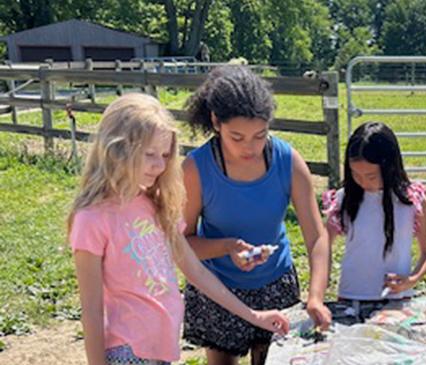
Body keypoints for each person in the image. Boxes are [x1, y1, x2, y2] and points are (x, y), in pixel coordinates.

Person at [69, 93, 289, 365]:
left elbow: (195, 271)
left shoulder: (153, 204)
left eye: (164, 155)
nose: (160, 165)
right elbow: (91, 308)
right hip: (127, 353)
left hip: (161, 350)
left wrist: (255, 316)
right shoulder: (91, 219)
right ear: (116, 148)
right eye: (149, 154)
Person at [181, 66, 331, 364]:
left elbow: (316, 237)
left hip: (276, 283)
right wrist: (226, 247)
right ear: (216, 122)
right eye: (236, 138)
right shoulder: (195, 169)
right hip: (218, 287)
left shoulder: (287, 160)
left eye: (259, 136)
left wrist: (315, 296)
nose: (249, 148)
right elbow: (183, 242)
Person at [322, 121, 426, 302]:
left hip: (397, 299)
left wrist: (411, 280)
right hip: (351, 296)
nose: (364, 183)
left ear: (389, 167)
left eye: (371, 176)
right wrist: (322, 279)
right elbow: (323, 243)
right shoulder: (344, 199)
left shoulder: (412, 201)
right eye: (355, 175)